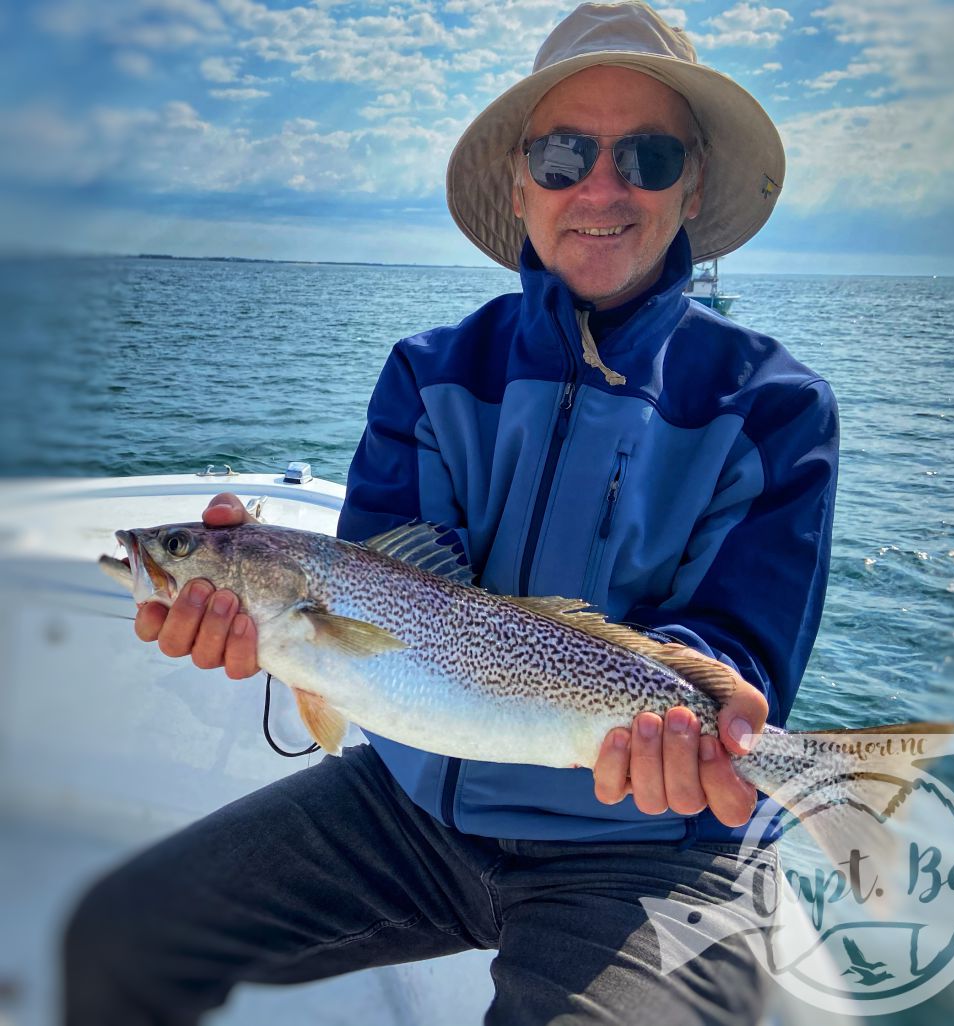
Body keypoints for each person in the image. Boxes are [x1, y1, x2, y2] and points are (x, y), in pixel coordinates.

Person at [64, 3, 838, 1023]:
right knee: (118, 936)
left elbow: (742, 653)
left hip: (652, 849)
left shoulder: (775, 409)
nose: (600, 187)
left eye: (645, 155)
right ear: (520, 183)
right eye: (563, 153)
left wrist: (694, 728)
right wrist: (269, 638)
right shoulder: (428, 376)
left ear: (690, 181)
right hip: (415, 810)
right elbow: (384, 596)